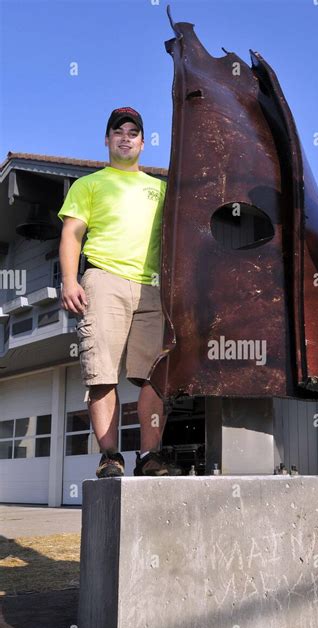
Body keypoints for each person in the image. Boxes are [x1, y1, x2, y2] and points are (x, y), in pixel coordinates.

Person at [58, 106, 180, 478]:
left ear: (143, 143)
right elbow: (71, 234)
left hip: (152, 289)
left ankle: (149, 456)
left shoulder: (161, 189)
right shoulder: (89, 184)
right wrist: (69, 280)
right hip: (104, 280)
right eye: (118, 131)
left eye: (133, 132)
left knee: (153, 377)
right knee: (101, 374)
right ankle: (110, 457)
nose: (125, 137)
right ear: (107, 140)